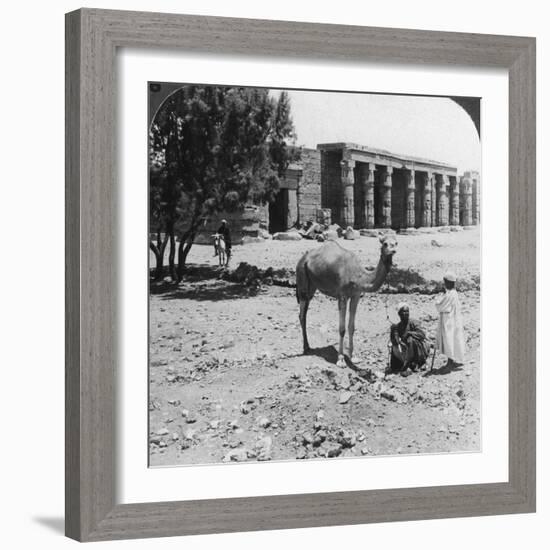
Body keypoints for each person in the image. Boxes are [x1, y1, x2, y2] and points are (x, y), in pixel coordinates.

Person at [389, 302, 430, 375]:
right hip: (405, 350)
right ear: (399, 314)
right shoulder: (398, 326)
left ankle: (415, 363)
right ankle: (401, 364)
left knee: (411, 339)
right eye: (403, 312)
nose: (405, 313)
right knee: (394, 346)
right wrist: (394, 332)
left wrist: (409, 333)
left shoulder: (413, 322)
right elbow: (395, 341)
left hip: (418, 349)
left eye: (407, 311)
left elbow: (422, 335)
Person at [435, 271, 465, 367]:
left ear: (448, 282)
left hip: (448, 321)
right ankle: (454, 359)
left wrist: (440, 296)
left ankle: (450, 361)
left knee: (449, 339)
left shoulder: (450, 294)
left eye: (445, 282)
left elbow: (440, 306)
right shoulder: (454, 293)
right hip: (453, 319)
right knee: (454, 339)